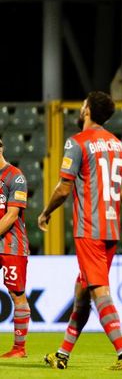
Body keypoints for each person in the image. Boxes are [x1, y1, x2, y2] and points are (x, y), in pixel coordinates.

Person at [39, 91, 122, 370]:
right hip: (112, 230)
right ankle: (62, 355)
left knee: (99, 292)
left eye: (83, 103)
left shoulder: (77, 142)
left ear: (86, 111)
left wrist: (46, 212)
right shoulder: (120, 146)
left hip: (89, 229)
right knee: (82, 292)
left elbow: (63, 187)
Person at [0, 139, 31, 358]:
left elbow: (11, 215)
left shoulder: (15, 176)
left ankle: (19, 348)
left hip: (12, 244)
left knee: (16, 293)